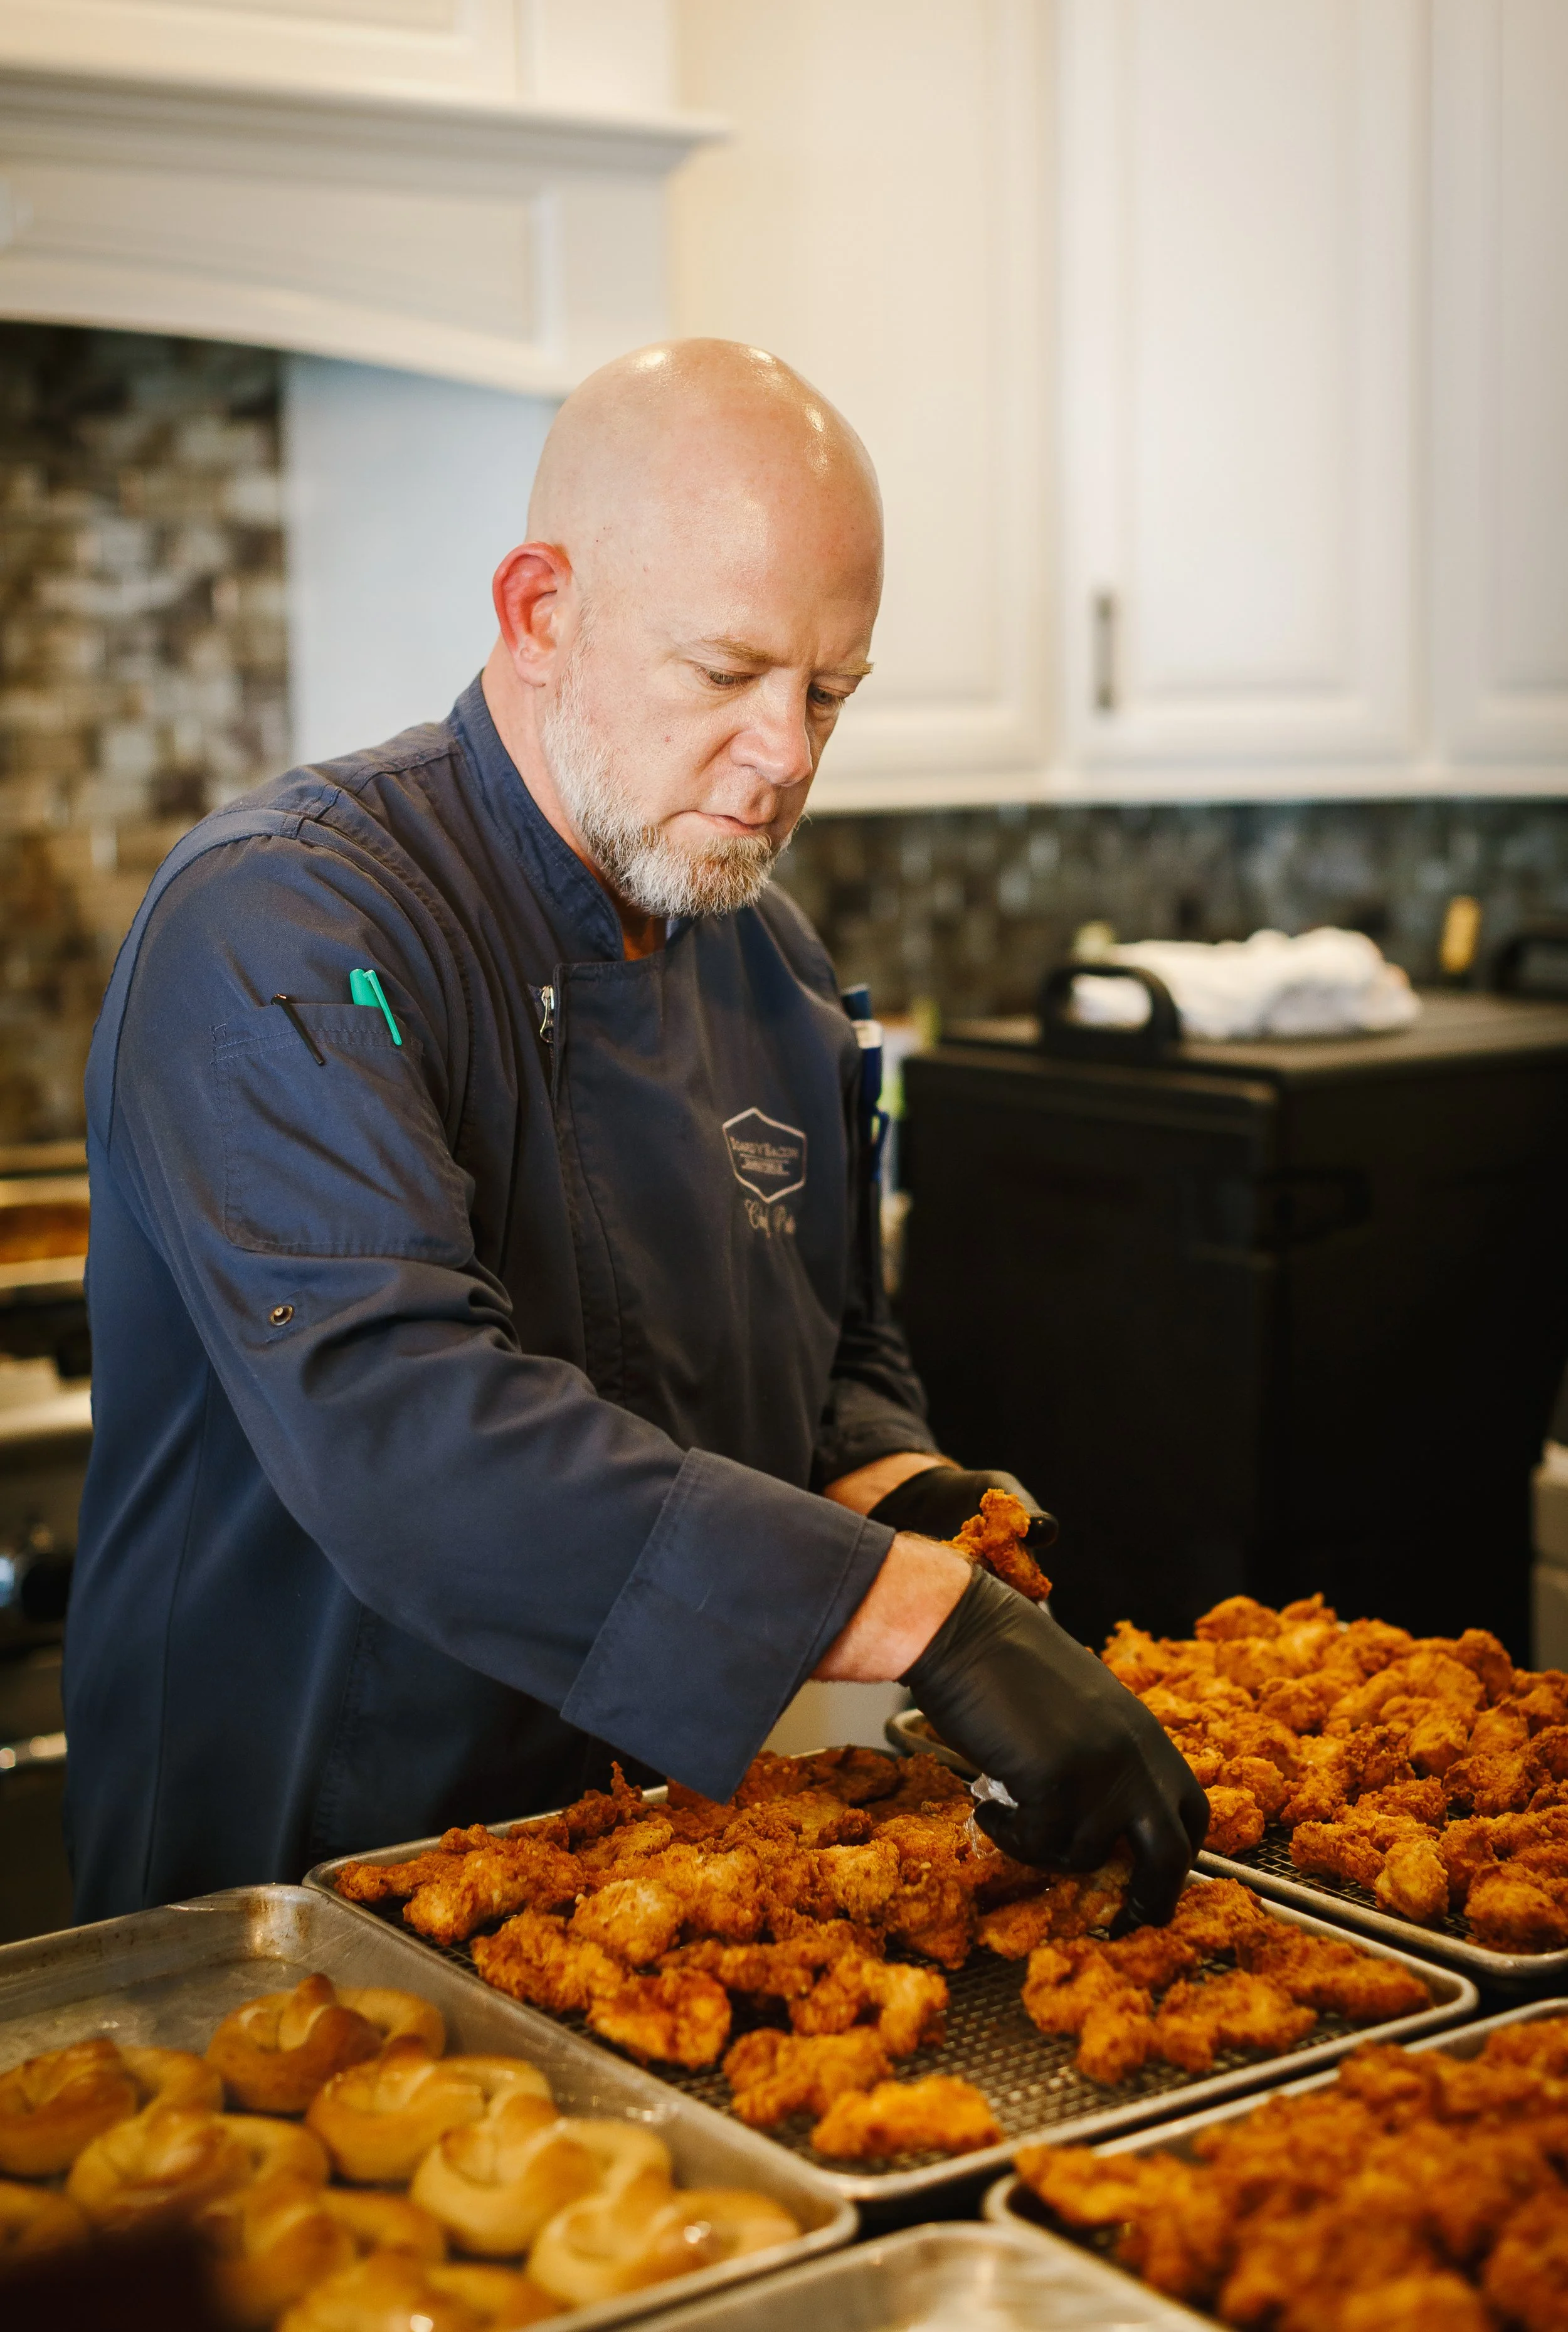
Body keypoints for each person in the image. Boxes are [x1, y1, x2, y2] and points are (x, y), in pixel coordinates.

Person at [65, 341, 1205, 1922]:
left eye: (827, 693)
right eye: (727, 674)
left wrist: (913, 1494)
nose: (788, 757)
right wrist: (922, 1625)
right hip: (302, 1886)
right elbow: (408, 1428)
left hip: (655, 1882)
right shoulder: (285, 923)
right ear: (540, 613)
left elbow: (835, 1361)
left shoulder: (774, 961)